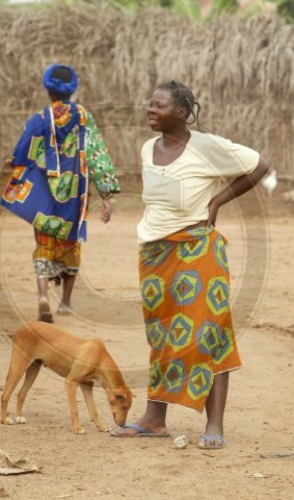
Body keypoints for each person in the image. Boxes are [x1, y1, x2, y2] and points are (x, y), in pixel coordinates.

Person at [111, 80, 269, 448]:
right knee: (163, 335)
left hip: (198, 250)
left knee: (207, 334)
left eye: (159, 105)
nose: (150, 110)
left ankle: (215, 424)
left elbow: (259, 166)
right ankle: (154, 419)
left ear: (181, 113)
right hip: (154, 253)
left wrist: (218, 202)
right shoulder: (148, 147)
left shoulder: (207, 146)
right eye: (149, 104)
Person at [0, 64, 120, 323]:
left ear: (47, 89)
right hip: (75, 194)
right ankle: (65, 301)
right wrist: (107, 194)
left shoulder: (39, 119)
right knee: (71, 242)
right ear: (72, 89)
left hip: (45, 191)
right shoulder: (84, 117)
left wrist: (16, 164)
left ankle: (43, 296)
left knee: (44, 242)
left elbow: (22, 153)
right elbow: (98, 155)